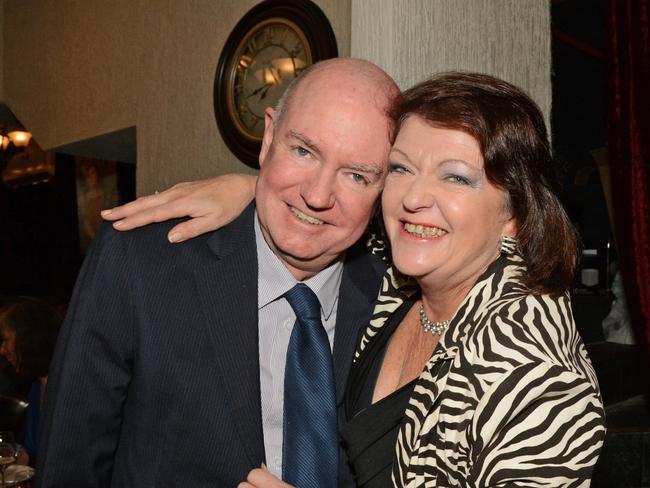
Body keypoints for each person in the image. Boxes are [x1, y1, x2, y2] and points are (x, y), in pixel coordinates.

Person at [107, 72, 606, 487]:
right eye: (402, 169)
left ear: (515, 212)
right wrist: (256, 187)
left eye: (456, 177)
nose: (414, 198)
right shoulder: (399, 279)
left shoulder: (540, 381)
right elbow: (328, 210)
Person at [36, 58, 399, 488]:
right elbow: (68, 467)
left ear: (386, 187)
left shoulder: (398, 303)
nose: (317, 195)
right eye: (303, 151)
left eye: (356, 175)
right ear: (268, 138)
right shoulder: (140, 261)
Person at [0, 297, 62, 464]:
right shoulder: (36, 387)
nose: (2, 350)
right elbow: (33, 455)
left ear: (26, 339)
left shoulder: (68, 390)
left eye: (5, 340)